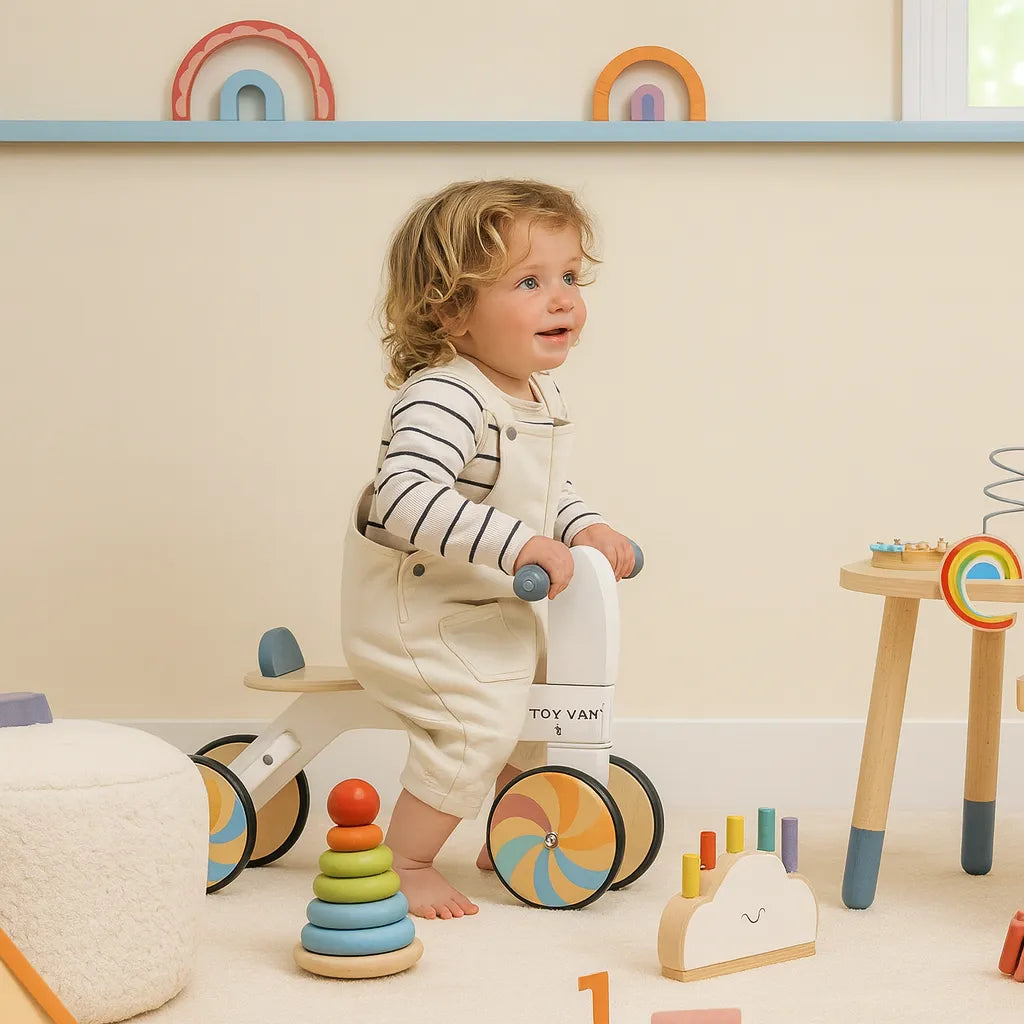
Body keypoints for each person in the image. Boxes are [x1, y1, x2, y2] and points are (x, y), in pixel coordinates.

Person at [340, 178, 635, 920]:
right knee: (480, 721)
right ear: (450, 309)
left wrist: (583, 526)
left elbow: (540, 491)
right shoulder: (445, 395)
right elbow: (403, 496)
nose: (562, 299)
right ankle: (406, 861)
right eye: (530, 282)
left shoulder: (536, 394)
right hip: (416, 614)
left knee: (544, 709)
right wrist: (520, 544)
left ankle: (514, 828)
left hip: (484, 606)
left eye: (570, 277)